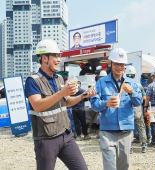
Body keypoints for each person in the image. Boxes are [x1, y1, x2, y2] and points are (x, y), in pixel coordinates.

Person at [25, 39, 96, 170]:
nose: (59, 59)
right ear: (44, 58)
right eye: (56, 56)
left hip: (66, 134)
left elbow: (67, 102)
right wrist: (61, 93)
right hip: (46, 139)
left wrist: (82, 96)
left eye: (59, 56)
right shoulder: (32, 81)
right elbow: (38, 106)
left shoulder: (59, 79)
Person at [91, 48, 143, 170]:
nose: (119, 67)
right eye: (116, 64)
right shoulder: (101, 83)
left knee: (123, 166)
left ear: (125, 66)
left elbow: (138, 102)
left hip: (126, 131)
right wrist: (106, 103)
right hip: (107, 132)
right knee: (109, 166)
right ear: (111, 64)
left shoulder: (131, 83)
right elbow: (94, 104)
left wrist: (132, 93)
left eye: (122, 64)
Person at [125, 65, 147, 153]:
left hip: (128, 111)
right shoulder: (139, 85)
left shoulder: (123, 86)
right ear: (134, 75)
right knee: (141, 127)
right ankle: (144, 145)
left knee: (129, 129)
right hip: (138, 110)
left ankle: (130, 147)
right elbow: (144, 97)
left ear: (126, 75)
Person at [144, 71, 155, 147]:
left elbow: (147, 97)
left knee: (153, 124)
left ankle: (154, 141)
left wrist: (145, 107)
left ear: (153, 77)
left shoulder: (151, 85)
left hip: (153, 107)